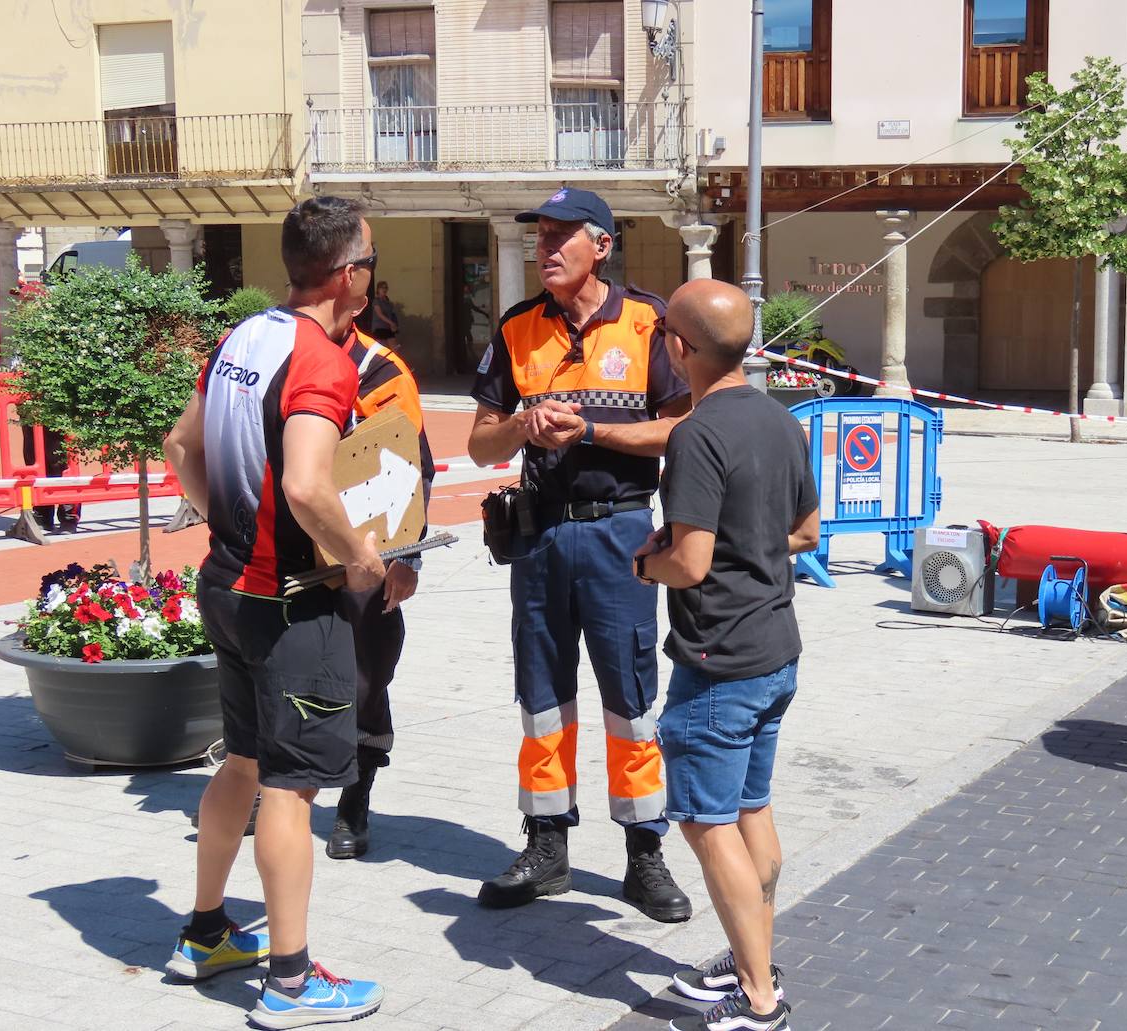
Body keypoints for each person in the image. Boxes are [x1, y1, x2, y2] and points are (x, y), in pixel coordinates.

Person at [162, 196, 387, 1029]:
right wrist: (359, 559)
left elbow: (180, 447)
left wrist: (227, 521)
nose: (373, 269)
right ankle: (291, 981)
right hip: (292, 602)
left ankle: (207, 930)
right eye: (370, 255)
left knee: (246, 762)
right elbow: (304, 483)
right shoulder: (322, 358)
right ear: (347, 272)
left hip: (226, 584)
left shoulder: (243, 337)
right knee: (291, 788)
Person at [468, 187, 693, 921]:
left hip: (620, 530)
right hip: (538, 537)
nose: (547, 246)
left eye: (563, 234)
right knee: (542, 696)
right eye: (541, 235)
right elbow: (479, 440)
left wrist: (589, 433)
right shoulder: (516, 328)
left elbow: (678, 430)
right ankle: (546, 843)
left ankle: (644, 852)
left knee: (630, 697)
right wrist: (523, 426)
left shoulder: (648, 320)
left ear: (602, 244)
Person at [634, 280, 819, 1031]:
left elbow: (691, 563)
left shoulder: (696, 434)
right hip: (775, 649)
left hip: (719, 660)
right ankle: (755, 959)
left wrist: (644, 564)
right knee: (751, 810)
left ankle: (759, 997)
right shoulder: (782, 420)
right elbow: (806, 531)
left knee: (708, 824)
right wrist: (746, 546)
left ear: (681, 350)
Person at [325, 322, 435, 860]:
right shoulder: (280, 350)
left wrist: (405, 559)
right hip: (291, 552)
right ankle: (260, 782)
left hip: (366, 553)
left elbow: (409, 465)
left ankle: (355, 799)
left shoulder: (380, 371)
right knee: (271, 673)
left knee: (365, 680)